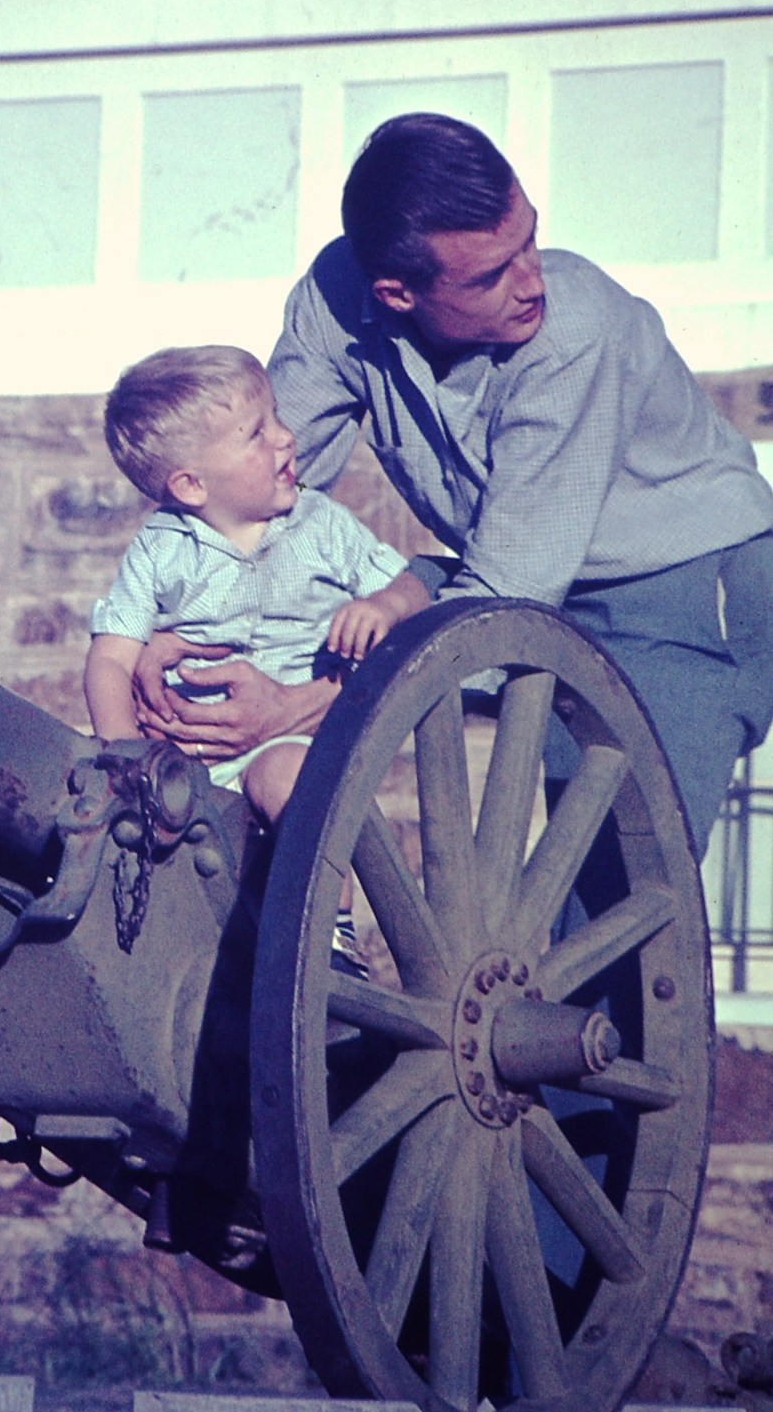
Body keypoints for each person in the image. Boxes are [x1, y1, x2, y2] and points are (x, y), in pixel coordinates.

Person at [131, 113, 773, 858]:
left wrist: (295, 710)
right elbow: (263, 484)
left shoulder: (575, 333)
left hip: (684, 597)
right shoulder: (338, 298)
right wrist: (173, 616)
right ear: (397, 294)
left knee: (611, 892)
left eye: (529, 238)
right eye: (493, 274)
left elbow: (506, 595)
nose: (533, 281)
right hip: (511, 580)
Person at [84, 343, 430, 971]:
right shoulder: (160, 552)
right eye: (257, 432)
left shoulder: (320, 527)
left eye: (275, 418)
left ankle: (329, 938)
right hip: (188, 761)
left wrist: (383, 607)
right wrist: (127, 756)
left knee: (284, 778)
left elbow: (407, 583)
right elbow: (111, 659)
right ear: (191, 484)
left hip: (289, 742)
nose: (286, 439)